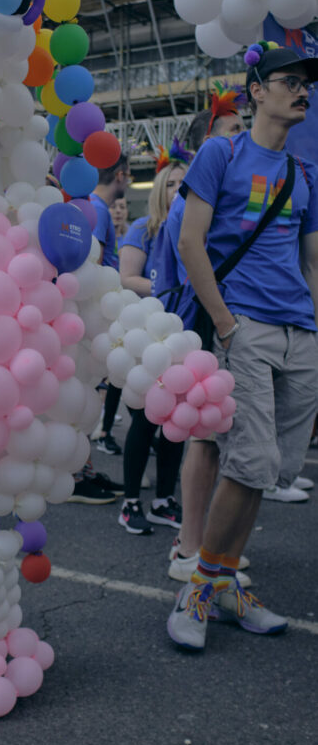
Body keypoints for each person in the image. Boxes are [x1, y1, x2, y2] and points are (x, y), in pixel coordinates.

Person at [166, 44, 318, 651]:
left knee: (270, 471)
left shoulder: (304, 174)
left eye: (306, 84)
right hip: (245, 325)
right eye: (288, 81)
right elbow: (189, 242)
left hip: (299, 333)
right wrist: (226, 325)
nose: (301, 91)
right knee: (249, 462)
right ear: (256, 89)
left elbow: (312, 261)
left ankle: (226, 580)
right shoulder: (220, 152)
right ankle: (200, 585)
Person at [155, 98, 258, 586]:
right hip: (201, 324)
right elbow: (190, 265)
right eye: (231, 132)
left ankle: (209, 547)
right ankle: (190, 547)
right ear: (205, 148)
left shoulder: (224, 193)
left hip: (223, 323)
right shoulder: (190, 201)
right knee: (205, 440)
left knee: (224, 439)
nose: (242, 139)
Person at [118, 155, 189, 535]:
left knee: (178, 422)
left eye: (185, 184)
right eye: (173, 184)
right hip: (150, 335)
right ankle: (131, 503)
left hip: (185, 335)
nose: (180, 190)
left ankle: (164, 499)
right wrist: (168, 288)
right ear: (161, 191)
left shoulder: (194, 231)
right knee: (145, 421)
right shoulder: (145, 229)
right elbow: (126, 277)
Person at [88, 155, 132, 457]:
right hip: (102, 309)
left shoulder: (96, 206)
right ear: (120, 174)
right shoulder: (98, 209)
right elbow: (97, 263)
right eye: (128, 175)